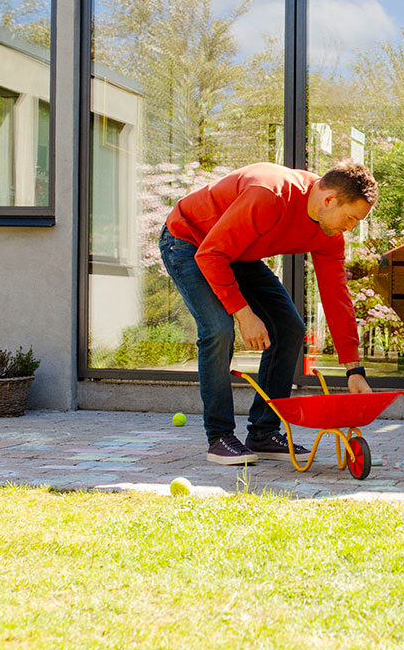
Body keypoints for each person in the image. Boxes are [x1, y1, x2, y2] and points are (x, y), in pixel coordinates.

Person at [158, 160, 377, 465]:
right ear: (329, 200)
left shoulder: (328, 234)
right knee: (219, 330)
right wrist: (244, 315)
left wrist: (354, 369)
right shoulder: (270, 195)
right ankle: (219, 437)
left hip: (238, 252)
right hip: (189, 242)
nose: (350, 228)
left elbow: (336, 296)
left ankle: (263, 432)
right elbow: (211, 254)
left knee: (289, 328)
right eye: (351, 218)